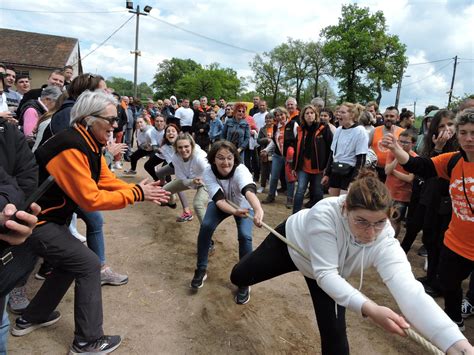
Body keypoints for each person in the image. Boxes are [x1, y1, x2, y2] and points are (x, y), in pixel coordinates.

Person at [230, 169, 472, 355]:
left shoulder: (385, 238)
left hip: (327, 273)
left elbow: (411, 293)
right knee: (239, 276)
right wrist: (371, 309)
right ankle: (243, 278)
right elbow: (326, 275)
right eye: (362, 222)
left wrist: (455, 343)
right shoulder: (324, 213)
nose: (370, 232)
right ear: (345, 208)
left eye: (378, 222)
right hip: (290, 246)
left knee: (336, 344)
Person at [10, 90, 169, 354]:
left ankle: (33, 316)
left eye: (115, 118)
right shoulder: (71, 146)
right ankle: (86, 341)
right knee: (88, 264)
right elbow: (90, 198)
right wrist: (138, 194)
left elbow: (106, 181)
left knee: (71, 263)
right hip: (34, 222)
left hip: (47, 219)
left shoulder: (89, 142)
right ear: (88, 119)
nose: (115, 125)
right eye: (110, 119)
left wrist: (140, 190)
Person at [382, 108, 474, 331]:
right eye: (463, 132)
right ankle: (455, 323)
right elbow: (419, 165)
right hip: (455, 242)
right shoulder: (452, 161)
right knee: (448, 284)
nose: (469, 138)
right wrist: (396, 148)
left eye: (473, 132)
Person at [190, 141, 263, 305]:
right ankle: (201, 269)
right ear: (213, 159)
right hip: (222, 204)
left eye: (229, 158)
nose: (225, 162)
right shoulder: (208, 171)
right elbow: (218, 200)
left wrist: (258, 209)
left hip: (244, 205)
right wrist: (232, 211)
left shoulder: (241, 170)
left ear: (235, 158)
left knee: (245, 236)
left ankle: (244, 280)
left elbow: (248, 191)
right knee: (206, 226)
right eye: (220, 158)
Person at [292, 105, 332, 213]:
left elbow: (331, 149)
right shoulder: (300, 130)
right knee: (300, 191)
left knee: (318, 192)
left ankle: (317, 215)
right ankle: (295, 214)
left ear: (315, 115)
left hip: (319, 168)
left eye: (312, 113)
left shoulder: (323, 128)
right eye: (307, 113)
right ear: (303, 116)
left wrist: (327, 169)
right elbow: (297, 149)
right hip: (303, 167)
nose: (309, 115)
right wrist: (294, 167)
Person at [322, 102, 368, 197]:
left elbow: (361, 158)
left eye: (343, 112)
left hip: (350, 172)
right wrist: (327, 173)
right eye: (338, 112)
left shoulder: (360, 131)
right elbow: (332, 153)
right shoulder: (338, 130)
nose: (338, 114)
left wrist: (354, 180)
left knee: (343, 202)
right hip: (336, 170)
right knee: (334, 202)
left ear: (352, 115)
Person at [162, 132, 209, 224]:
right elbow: (182, 180)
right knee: (164, 191)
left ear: (192, 145)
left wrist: (200, 180)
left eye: (186, 146)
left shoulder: (199, 157)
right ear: (176, 148)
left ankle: (206, 235)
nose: (183, 150)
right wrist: (193, 181)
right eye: (180, 147)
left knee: (198, 204)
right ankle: (171, 202)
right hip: (190, 180)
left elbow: (210, 174)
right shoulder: (175, 157)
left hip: (205, 182)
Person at [261, 107, 298, 206]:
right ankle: (271, 196)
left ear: (286, 114)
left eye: (282, 114)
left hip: (289, 156)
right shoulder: (275, 126)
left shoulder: (293, 124)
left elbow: (298, 140)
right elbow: (274, 141)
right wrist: (266, 150)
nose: (280, 117)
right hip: (277, 155)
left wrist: (295, 155)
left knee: (289, 178)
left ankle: (290, 199)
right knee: (274, 177)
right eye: (277, 115)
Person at [384, 129, 417, 238]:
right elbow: (387, 171)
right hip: (387, 192)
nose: (402, 144)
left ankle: (391, 241)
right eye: (400, 141)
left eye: (405, 142)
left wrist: (393, 171)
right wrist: (398, 157)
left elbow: (409, 178)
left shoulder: (415, 158)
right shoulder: (392, 153)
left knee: (395, 221)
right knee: (384, 219)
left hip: (402, 196)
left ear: (413, 143)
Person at [257, 112, 274, 194]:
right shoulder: (262, 129)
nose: (268, 120)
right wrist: (266, 139)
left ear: (273, 120)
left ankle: (273, 188)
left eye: (270, 118)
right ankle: (262, 186)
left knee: (273, 171)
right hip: (264, 152)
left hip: (274, 153)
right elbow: (258, 140)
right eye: (267, 118)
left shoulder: (276, 128)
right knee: (264, 170)